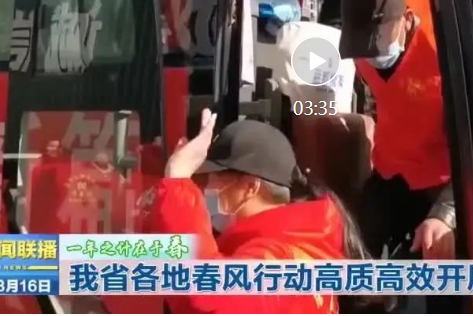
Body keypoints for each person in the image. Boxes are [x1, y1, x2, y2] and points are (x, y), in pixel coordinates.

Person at [149, 111, 389, 314]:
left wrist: (177, 182)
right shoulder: (293, 246)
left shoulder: (279, 261)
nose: (205, 190)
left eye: (213, 179)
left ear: (250, 187)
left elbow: (205, 297)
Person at [338, 0, 456, 265]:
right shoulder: (362, 49)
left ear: (407, 20)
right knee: (351, 249)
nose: (372, 57)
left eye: (378, 42)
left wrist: (447, 214)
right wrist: (309, 110)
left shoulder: (444, 55)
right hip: (390, 172)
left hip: (442, 182)